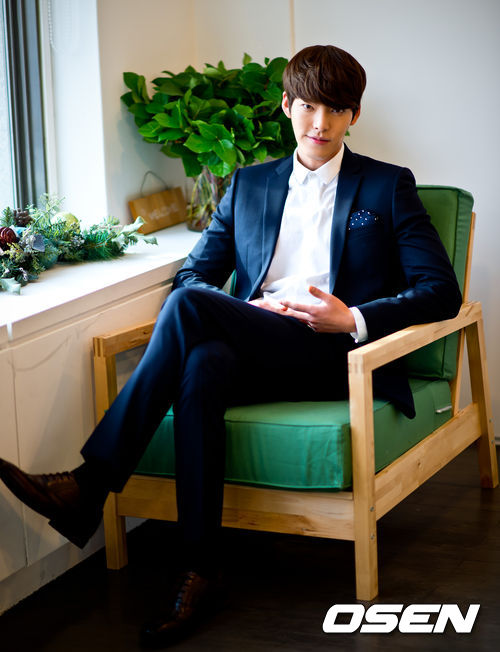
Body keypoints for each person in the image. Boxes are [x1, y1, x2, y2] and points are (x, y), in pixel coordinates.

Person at [0, 44, 461, 647]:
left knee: (193, 315)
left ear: (354, 115)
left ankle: (91, 484)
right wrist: (250, 311)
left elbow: (441, 291)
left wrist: (351, 316)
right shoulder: (248, 184)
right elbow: (192, 275)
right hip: (260, 339)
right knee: (204, 362)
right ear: (287, 105)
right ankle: (200, 570)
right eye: (310, 106)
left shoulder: (387, 186)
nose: (321, 123)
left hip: (337, 354)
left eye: (337, 110)